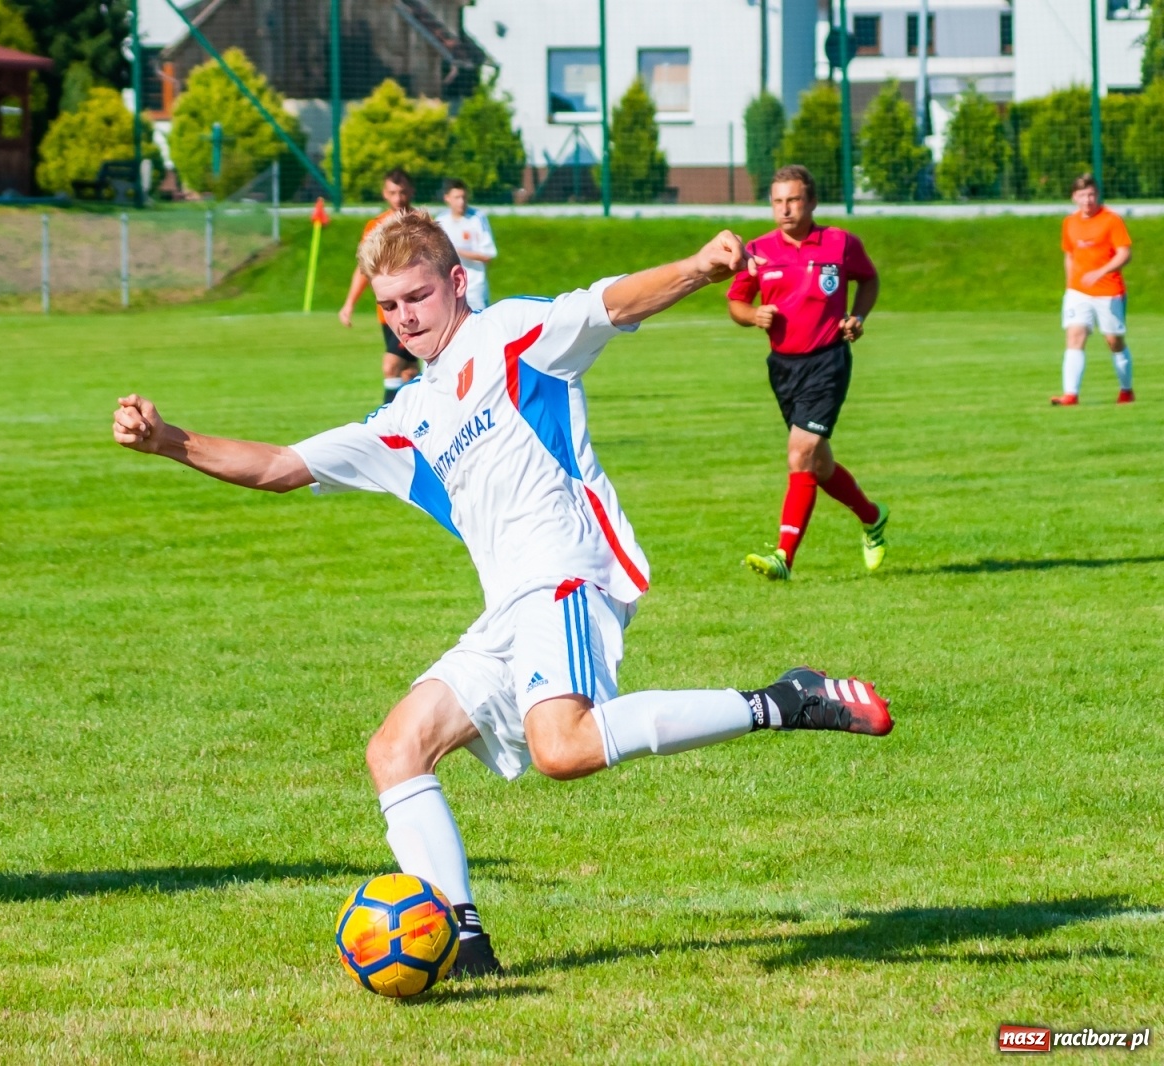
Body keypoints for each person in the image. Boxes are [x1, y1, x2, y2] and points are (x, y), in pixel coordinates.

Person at [113, 210, 893, 977]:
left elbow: (609, 303)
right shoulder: (406, 417)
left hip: (565, 573)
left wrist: (696, 268)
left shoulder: (511, 335)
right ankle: (468, 947)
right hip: (506, 609)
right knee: (395, 750)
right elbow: (282, 466)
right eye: (389, 306)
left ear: (457, 282)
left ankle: (784, 700)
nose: (404, 318)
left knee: (564, 747)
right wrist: (167, 441)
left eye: (417, 296)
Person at [727, 165, 888, 582]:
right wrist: (752, 315)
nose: (785, 209)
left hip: (827, 360)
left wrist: (858, 316)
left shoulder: (839, 243)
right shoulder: (758, 251)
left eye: (794, 200)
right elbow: (737, 303)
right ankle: (873, 517)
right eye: (778, 201)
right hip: (782, 367)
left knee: (800, 453)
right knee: (817, 465)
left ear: (811, 202)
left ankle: (784, 556)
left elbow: (868, 280)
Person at [1052, 173, 1134, 406]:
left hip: (1109, 292)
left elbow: (1125, 254)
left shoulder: (1111, 220)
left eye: (1091, 194)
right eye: (1082, 195)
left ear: (1097, 195)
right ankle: (1070, 395)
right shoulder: (1069, 222)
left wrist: (1101, 272)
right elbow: (1069, 254)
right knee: (1075, 335)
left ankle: (1126, 390)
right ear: (1073, 197)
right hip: (1078, 292)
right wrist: (1070, 286)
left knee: (1113, 341)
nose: (1087, 200)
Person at [339, 169, 418, 404]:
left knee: (390, 366)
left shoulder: (422, 225)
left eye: (402, 192)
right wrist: (349, 304)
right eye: (393, 193)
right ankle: (419, 424)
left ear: (411, 191)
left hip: (412, 309)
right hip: (387, 312)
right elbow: (365, 268)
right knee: (408, 371)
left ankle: (389, 428)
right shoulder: (376, 226)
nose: (398, 198)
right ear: (385, 194)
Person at [433, 180, 497, 311]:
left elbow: (487, 255)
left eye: (464, 197)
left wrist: (456, 251)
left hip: (474, 288)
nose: (461, 201)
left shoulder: (477, 218)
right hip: (450, 288)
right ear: (447, 198)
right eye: (457, 197)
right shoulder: (441, 221)